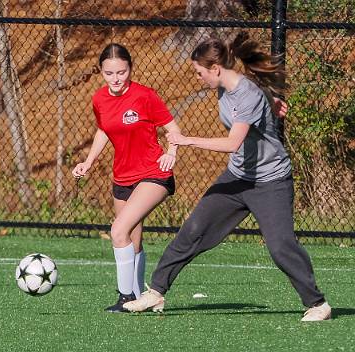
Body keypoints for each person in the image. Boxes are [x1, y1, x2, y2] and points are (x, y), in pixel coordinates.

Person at [123, 32, 331, 322]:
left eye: (199, 73)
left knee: (280, 245)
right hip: (236, 177)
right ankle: (156, 291)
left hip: (270, 181)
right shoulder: (226, 87)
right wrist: (273, 102)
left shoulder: (246, 93)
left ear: (215, 69)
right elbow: (259, 99)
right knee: (193, 228)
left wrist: (187, 140)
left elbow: (233, 142)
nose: (197, 78)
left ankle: (318, 304)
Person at [72, 43, 180, 312]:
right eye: (109, 73)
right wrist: (88, 161)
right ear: (101, 72)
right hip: (122, 177)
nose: (116, 78)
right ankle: (136, 297)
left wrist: (171, 152)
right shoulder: (99, 99)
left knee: (118, 231)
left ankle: (123, 298)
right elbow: (104, 130)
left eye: (122, 72)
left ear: (130, 69)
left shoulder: (145, 96)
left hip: (154, 173)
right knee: (132, 238)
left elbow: (173, 129)